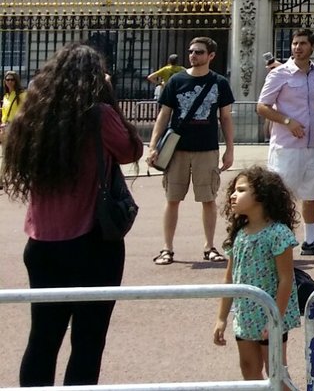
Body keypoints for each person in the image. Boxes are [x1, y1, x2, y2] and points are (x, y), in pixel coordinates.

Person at [3, 44, 142, 386]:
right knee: (88, 341)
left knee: (43, 339)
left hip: (42, 245)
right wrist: (109, 98)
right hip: (93, 243)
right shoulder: (98, 113)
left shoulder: (35, 113)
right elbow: (130, 150)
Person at [147, 35, 235, 266]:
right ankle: (167, 248)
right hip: (177, 149)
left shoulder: (220, 83)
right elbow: (163, 115)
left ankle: (209, 246)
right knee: (172, 199)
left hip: (207, 148)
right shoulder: (176, 80)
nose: (193, 55)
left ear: (211, 56)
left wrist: (230, 149)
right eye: (191, 51)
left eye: (199, 52)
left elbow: (225, 118)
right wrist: (153, 145)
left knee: (208, 199)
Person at [256, 28, 314, 256]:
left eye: (302, 43)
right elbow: (262, 106)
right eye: (295, 43)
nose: (297, 47)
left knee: (312, 194)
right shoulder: (279, 73)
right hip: (286, 147)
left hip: (312, 144)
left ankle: (311, 240)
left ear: (312, 46)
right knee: (281, 196)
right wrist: (287, 120)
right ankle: (274, 242)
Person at [213, 166, 299, 383]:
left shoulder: (278, 234)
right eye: (233, 190)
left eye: (241, 190)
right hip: (245, 315)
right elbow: (229, 278)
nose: (233, 195)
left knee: (276, 373)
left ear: (261, 195)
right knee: (249, 369)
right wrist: (222, 317)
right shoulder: (239, 234)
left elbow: (286, 279)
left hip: (270, 314)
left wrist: (274, 318)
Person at [1, 69, 25, 147]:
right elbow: (4, 112)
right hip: (5, 128)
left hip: (16, 126)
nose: (10, 82)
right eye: (7, 79)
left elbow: (26, 111)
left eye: (12, 79)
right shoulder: (5, 96)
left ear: (16, 81)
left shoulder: (22, 95)